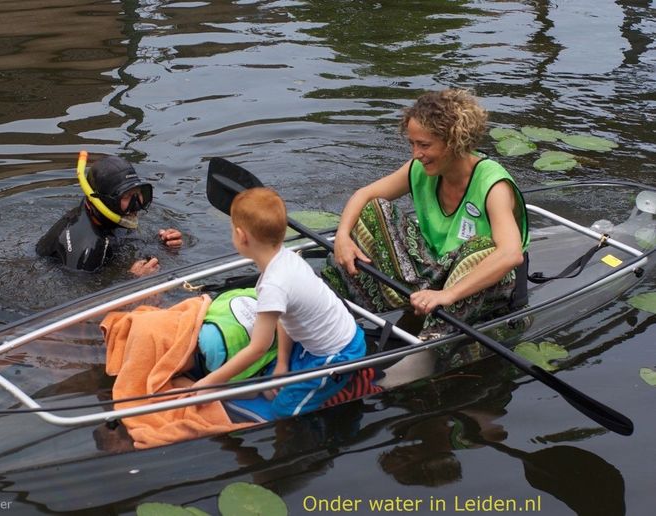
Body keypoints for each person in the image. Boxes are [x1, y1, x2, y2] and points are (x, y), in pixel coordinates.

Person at [324, 88, 529, 376]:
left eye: (424, 145)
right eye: (413, 144)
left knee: (480, 246)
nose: (417, 154)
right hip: (436, 269)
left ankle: (428, 343)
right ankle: (346, 307)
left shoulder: (493, 185)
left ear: (455, 141)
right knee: (375, 210)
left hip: (483, 277)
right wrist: (343, 238)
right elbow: (365, 195)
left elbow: (511, 254)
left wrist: (447, 295)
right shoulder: (419, 168)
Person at [193, 187, 366, 418]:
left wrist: (209, 383)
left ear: (241, 236)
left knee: (283, 411)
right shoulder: (285, 257)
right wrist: (282, 363)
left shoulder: (274, 284)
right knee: (270, 388)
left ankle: (346, 386)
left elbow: (258, 348)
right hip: (317, 343)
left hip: (339, 354)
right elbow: (286, 317)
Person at [36, 155, 182, 275]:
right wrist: (133, 278)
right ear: (102, 201)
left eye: (138, 194)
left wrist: (162, 244)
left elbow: (126, 241)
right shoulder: (88, 244)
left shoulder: (108, 218)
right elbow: (83, 295)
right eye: (127, 196)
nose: (136, 204)